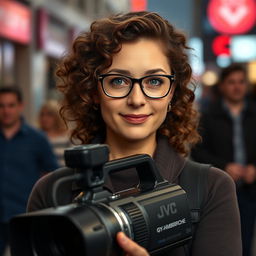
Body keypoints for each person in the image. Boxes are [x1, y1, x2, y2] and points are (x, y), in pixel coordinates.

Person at [27, 12, 242, 256]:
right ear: (94, 92)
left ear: (172, 92)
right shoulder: (52, 191)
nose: (137, 99)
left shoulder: (211, 188)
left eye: (154, 81)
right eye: (118, 81)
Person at [191, 63, 256, 256]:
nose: (237, 87)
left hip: (251, 189)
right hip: (220, 189)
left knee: (246, 240)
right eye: (231, 82)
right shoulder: (208, 116)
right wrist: (225, 166)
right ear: (222, 86)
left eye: (241, 82)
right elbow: (197, 151)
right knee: (222, 242)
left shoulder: (254, 113)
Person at [0, 86, 59, 256]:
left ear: (20, 106)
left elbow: (53, 172)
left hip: (24, 215)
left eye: (11, 105)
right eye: (1, 106)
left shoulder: (37, 138)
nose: (6, 111)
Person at [38, 100, 72, 166]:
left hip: (64, 175)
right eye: (42, 114)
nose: (44, 118)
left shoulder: (67, 137)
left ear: (57, 116)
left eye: (49, 114)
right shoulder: (37, 137)